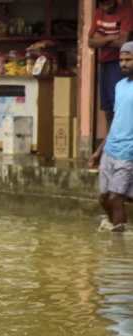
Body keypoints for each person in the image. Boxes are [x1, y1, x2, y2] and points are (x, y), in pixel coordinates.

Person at [89, 41, 133, 232]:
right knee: (103, 198)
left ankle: (118, 246)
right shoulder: (120, 86)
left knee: (116, 198)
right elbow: (115, 121)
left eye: (128, 60)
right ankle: (117, 229)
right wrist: (98, 151)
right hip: (110, 150)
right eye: (121, 60)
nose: (123, 64)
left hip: (128, 152)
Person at [88, 0, 133, 131]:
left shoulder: (126, 10)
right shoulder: (98, 12)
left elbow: (123, 42)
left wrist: (100, 38)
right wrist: (110, 38)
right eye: (102, 4)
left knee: (120, 105)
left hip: (120, 63)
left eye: (108, 4)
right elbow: (90, 42)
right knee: (107, 107)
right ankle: (111, 139)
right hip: (104, 63)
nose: (105, 7)